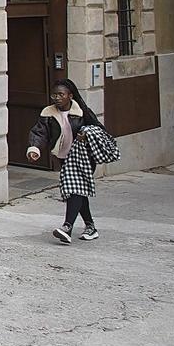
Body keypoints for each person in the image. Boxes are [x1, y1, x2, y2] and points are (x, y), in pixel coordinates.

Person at [26, 77, 107, 244]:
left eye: (60, 94)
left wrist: (86, 133)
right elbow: (40, 132)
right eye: (54, 95)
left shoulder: (81, 111)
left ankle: (67, 227)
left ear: (70, 95)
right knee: (79, 190)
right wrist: (34, 148)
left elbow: (98, 128)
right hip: (64, 157)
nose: (56, 98)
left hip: (84, 157)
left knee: (75, 190)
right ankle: (90, 227)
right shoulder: (48, 113)